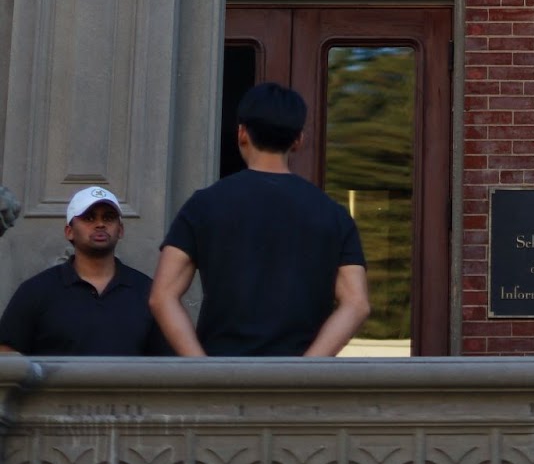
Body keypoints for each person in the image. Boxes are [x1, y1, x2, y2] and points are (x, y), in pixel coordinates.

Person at [150, 81, 370, 356]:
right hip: (299, 386)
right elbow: (357, 303)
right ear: (299, 140)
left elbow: (162, 296)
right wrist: (307, 368)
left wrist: (203, 368)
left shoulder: (204, 205)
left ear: (242, 133)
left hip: (225, 378)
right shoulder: (333, 214)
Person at [0, 185, 165, 355]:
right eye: (89, 218)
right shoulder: (36, 291)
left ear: (120, 230)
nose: (100, 224)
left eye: (108, 218)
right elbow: (6, 354)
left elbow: (168, 366)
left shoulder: (148, 292)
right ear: (69, 231)